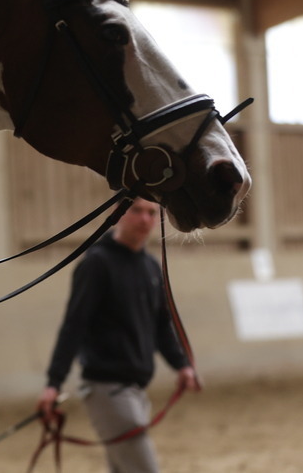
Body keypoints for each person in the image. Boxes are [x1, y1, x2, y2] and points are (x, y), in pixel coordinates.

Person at [37, 197, 201, 473]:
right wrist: (54, 383)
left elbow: (161, 325)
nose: (145, 219)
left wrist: (181, 365)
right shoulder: (96, 264)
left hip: (136, 391)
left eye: (152, 213)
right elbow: (73, 326)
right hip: (107, 391)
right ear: (118, 213)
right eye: (136, 211)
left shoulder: (150, 267)